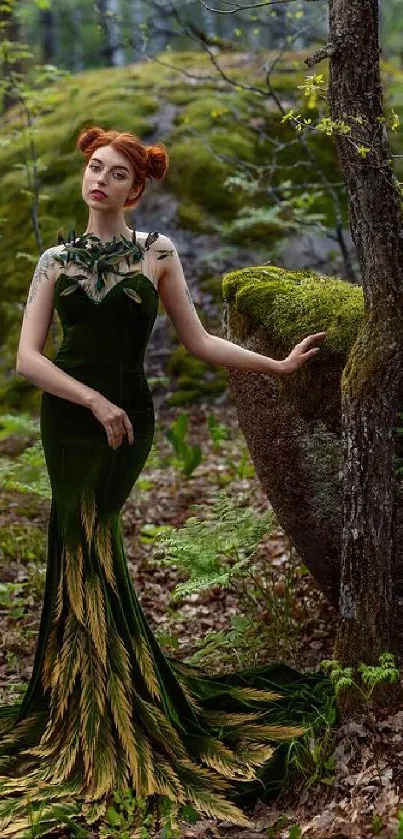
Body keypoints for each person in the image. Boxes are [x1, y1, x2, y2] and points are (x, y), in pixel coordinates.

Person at [0, 125, 330, 835]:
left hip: (130, 425)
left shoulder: (157, 253)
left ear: (136, 187)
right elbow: (27, 360)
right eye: (94, 168)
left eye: (117, 174)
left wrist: (274, 368)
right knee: (78, 542)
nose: (101, 181)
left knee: (92, 542)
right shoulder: (54, 259)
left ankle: (113, 705)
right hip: (72, 419)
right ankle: (81, 704)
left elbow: (198, 340)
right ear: (83, 174)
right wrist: (89, 398)